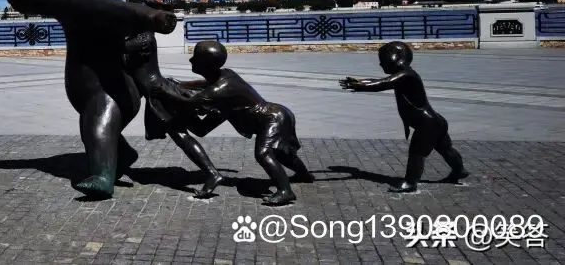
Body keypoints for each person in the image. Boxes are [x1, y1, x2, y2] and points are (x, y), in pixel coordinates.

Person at [154, 41, 314, 205]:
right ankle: (304, 175)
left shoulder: (221, 89)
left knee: (264, 153)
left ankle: (285, 191)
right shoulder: (225, 73)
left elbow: (191, 102)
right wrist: (181, 83)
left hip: (272, 117)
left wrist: (164, 91)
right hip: (239, 112)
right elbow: (204, 84)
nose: (190, 60)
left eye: (195, 58)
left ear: (205, 64)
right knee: (282, 154)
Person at [122, 0, 227, 197]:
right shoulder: (141, 34)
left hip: (159, 93)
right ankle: (221, 114)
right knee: (192, 129)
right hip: (157, 90)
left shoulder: (143, 38)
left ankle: (212, 173)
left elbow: (115, 49)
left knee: (181, 135)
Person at [339, 41, 468, 193]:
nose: (381, 63)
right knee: (446, 149)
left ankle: (410, 182)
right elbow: (378, 81)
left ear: (399, 57)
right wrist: (359, 82)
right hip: (434, 121)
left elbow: (383, 83)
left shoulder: (407, 75)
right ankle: (459, 170)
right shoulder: (403, 75)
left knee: (416, 154)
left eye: (383, 59)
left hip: (426, 124)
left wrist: (360, 86)